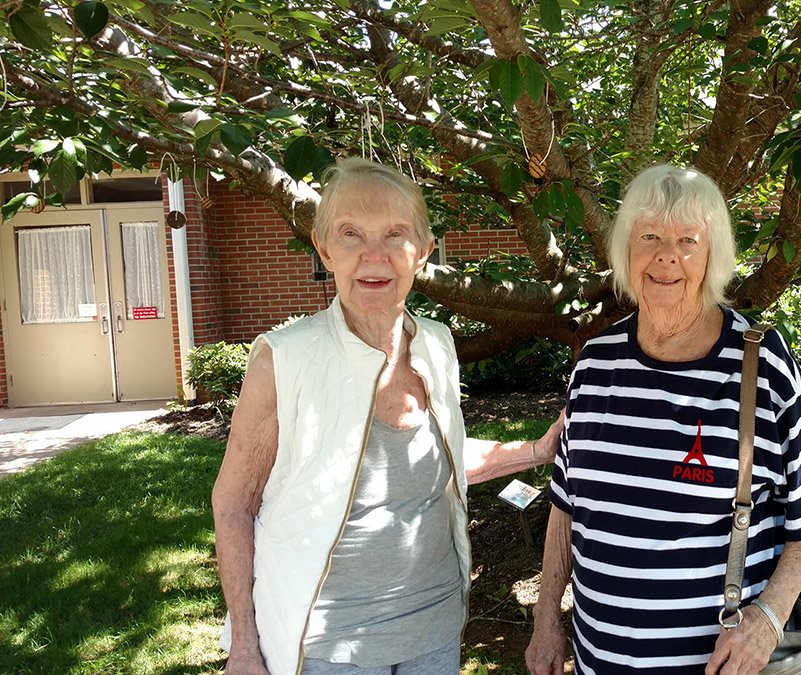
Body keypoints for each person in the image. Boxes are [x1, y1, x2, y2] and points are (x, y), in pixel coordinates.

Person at [211, 157, 562, 675]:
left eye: (395, 234)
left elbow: (434, 461)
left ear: (422, 251)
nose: (374, 255)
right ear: (323, 248)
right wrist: (243, 643)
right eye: (351, 233)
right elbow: (234, 505)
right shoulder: (283, 361)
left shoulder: (437, 345)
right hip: (326, 644)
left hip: (435, 626)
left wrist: (538, 450)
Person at [525, 165, 801, 675]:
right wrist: (546, 620)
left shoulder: (761, 366)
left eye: (687, 240)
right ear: (626, 251)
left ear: (712, 255)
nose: (666, 256)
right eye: (649, 235)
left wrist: (766, 619)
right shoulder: (595, 363)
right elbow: (566, 508)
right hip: (597, 660)